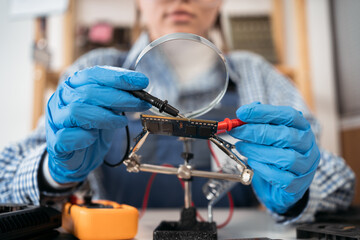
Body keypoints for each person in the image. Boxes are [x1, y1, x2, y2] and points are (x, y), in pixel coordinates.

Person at [0, 0, 355, 224]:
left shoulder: (256, 74)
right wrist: (53, 171)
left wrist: (299, 191)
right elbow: (5, 179)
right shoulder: (95, 69)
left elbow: (338, 182)